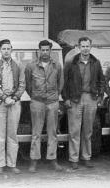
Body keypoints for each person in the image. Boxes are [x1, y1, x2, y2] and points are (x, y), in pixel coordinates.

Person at [63, 36, 106, 169]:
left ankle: (86, 157)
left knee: (88, 131)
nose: (85, 49)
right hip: (75, 99)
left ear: (90, 47)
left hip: (90, 98)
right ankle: (74, 158)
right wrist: (66, 99)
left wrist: (100, 96)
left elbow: (101, 81)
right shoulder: (71, 62)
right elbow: (64, 82)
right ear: (78, 47)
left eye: (87, 46)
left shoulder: (96, 63)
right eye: (83, 46)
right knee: (74, 130)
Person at [25, 40, 64, 173]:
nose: (45, 52)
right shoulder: (31, 66)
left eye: (47, 50)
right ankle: (34, 161)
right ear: (39, 50)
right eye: (43, 50)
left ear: (50, 51)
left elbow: (60, 83)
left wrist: (54, 97)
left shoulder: (57, 65)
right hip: (37, 102)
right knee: (36, 132)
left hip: (52, 102)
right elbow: (28, 86)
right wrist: (36, 96)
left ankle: (52, 159)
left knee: (52, 132)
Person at [0, 39, 25, 174]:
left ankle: (12, 164)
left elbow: (22, 84)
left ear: (11, 50)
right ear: (0, 50)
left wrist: (14, 98)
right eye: (3, 49)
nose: (6, 51)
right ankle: (0, 164)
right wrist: (5, 98)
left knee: (12, 135)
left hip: (14, 103)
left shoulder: (18, 65)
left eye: (8, 49)